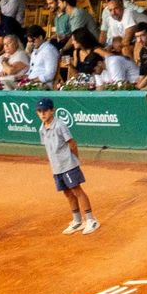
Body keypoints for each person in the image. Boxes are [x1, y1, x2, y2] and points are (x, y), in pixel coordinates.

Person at [36, 97, 99, 235]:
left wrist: (74, 160)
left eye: (45, 110)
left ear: (52, 111)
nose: (42, 114)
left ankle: (91, 220)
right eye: (39, 111)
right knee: (67, 193)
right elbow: (49, 149)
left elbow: (72, 143)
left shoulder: (60, 125)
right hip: (57, 167)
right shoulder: (41, 128)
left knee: (77, 191)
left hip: (68, 165)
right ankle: (77, 221)